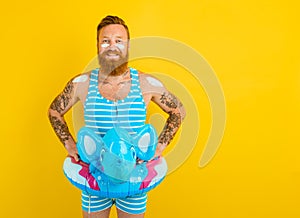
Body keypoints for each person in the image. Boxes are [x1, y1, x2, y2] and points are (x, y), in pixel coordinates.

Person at [48, 15, 186, 218]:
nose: (112, 46)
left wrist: (158, 148)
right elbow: (54, 111)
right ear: (98, 45)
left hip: (134, 180)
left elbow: (178, 111)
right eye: (105, 40)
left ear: (127, 45)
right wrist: (70, 145)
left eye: (118, 41)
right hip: (93, 178)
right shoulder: (82, 83)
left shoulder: (147, 83)